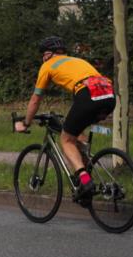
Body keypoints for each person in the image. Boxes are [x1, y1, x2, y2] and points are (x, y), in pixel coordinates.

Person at [14, 36, 116, 202]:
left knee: (66, 140)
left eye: (42, 54)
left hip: (87, 95)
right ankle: (88, 178)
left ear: (47, 54)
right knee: (77, 133)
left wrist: (26, 123)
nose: (42, 58)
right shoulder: (76, 60)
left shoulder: (47, 66)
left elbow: (35, 99)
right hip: (108, 94)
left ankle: (85, 180)